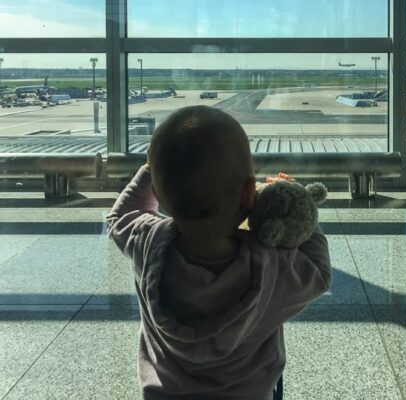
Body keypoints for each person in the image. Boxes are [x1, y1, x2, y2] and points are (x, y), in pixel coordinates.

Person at [106, 106, 331, 400]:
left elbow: (122, 214)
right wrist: (296, 205)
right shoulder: (271, 268)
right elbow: (320, 272)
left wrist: (155, 167)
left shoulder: (147, 242)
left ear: (159, 195)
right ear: (249, 193)